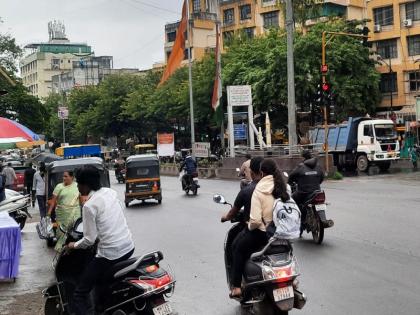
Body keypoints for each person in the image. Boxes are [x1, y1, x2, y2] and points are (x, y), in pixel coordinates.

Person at [67, 165, 134, 315]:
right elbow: (109, 219)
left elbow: (89, 240)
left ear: (85, 184)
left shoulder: (89, 206)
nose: (77, 186)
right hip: (128, 247)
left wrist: (73, 245)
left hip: (110, 254)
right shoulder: (110, 193)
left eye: (78, 183)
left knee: (79, 294)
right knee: (101, 281)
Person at [230, 158, 289, 298]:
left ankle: (237, 287)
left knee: (236, 247)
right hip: (282, 232)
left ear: (261, 173)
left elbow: (255, 221)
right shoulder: (284, 187)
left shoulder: (258, 189)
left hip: (264, 234)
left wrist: (249, 226)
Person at [288, 150, 324, 232]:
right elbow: (321, 178)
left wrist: (289, 183)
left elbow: (291, 176)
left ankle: (300, 220)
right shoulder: (318, 166)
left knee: (292, 200)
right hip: (317, 192)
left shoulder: (301, 166)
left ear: (303, 157)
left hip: (303, 193)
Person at [221, 156, 264, 223]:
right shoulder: (274, 186)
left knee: (242, 183)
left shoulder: (246, 191)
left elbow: (232, 213)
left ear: (251, 172)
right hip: (272, 227)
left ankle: (242, 200)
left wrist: (225, 217)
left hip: (253, 229)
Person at [47, 171, 81, 252]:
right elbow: (53, 201)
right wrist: (48, 213)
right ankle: (61, 247)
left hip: (75, 212)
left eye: (66, 176)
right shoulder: (59, 186)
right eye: (63, 176)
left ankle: (73, 246)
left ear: (72, 177)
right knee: (61, 231)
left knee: (75, 230)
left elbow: (81, 199)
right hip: (62, 213)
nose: (64, 178)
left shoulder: (77, 186)